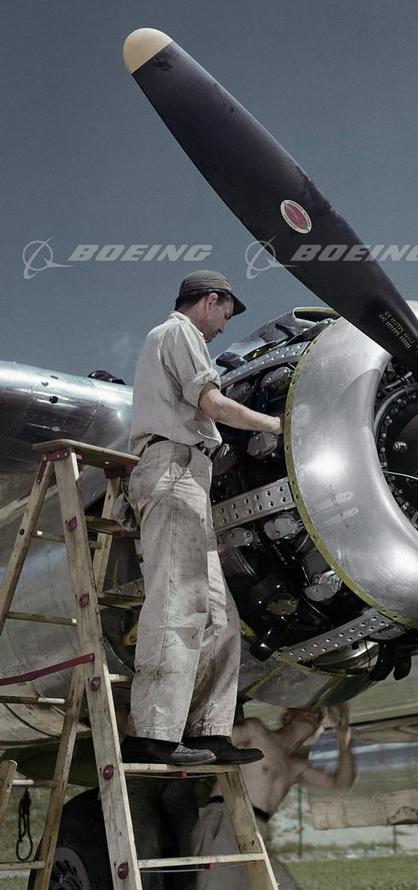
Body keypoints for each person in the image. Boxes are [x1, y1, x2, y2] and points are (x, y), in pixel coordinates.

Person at [121, 270, 281, 767]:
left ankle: (209, 732)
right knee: (178, 601)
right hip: (172, 470)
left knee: (219, 615)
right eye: (225, 316)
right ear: (210, 300)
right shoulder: (179, 332)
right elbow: (213, 404)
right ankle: (153, 733)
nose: (223, 328)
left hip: (192, 475)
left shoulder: (178, 339)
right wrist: (279, 424)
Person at [175, 704, 356, 890]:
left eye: (318, 715)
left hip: (257, 836)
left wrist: (344, 741)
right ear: (288, 715)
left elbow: (341, 785)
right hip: (226, 823)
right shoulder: (256, 731)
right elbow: (211, 743)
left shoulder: (295, 766)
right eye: (307, 709)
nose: (314, 713)